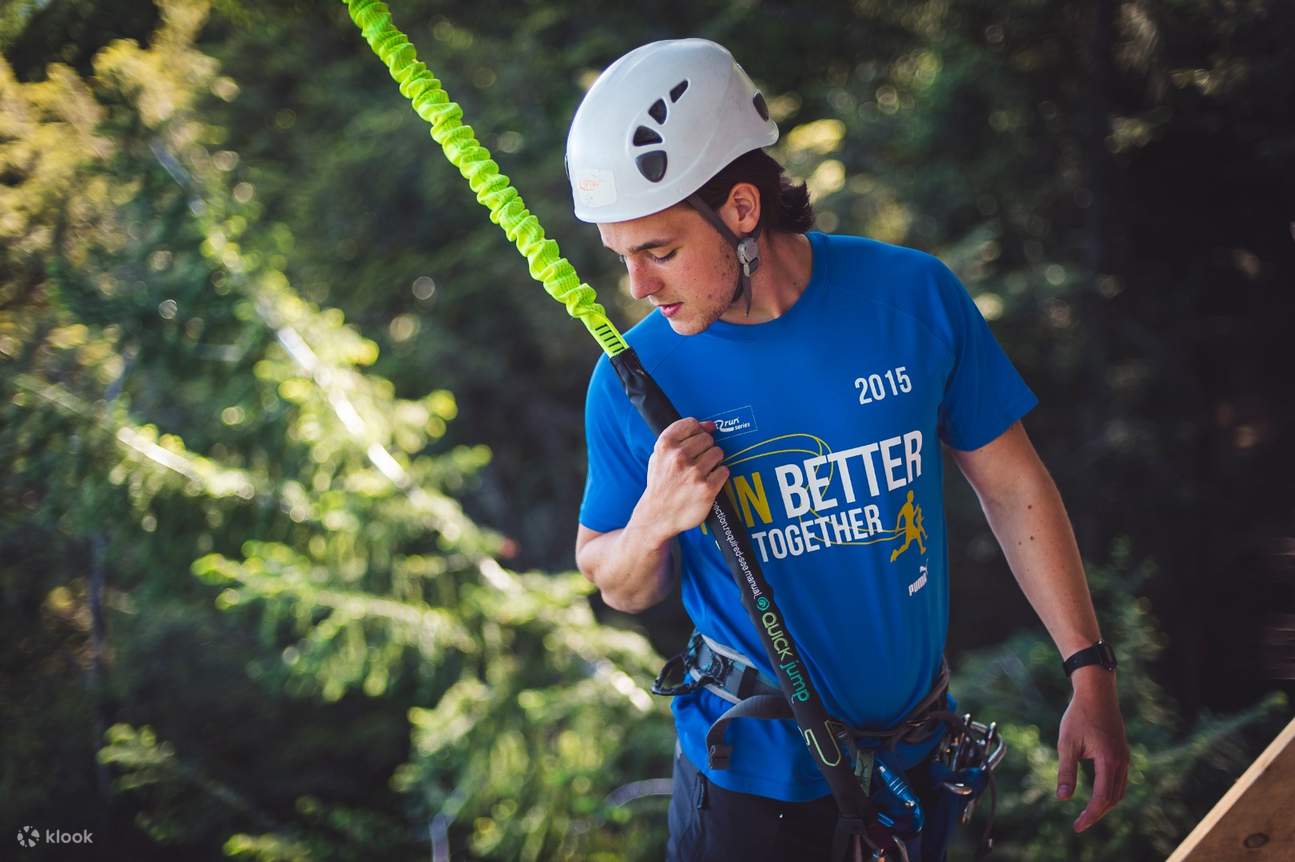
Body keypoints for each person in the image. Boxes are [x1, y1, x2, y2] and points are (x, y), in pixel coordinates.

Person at [566, 38, 1130, 861]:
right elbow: (612, 580)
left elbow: (1012, 487)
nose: (639, 288)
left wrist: (1090, 671)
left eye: (658, 251)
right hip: (747, 788)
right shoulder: (634, 377)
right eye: (623, 258)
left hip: (914, 765)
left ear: (742, 210)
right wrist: (653, 521)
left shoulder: (908, 296)